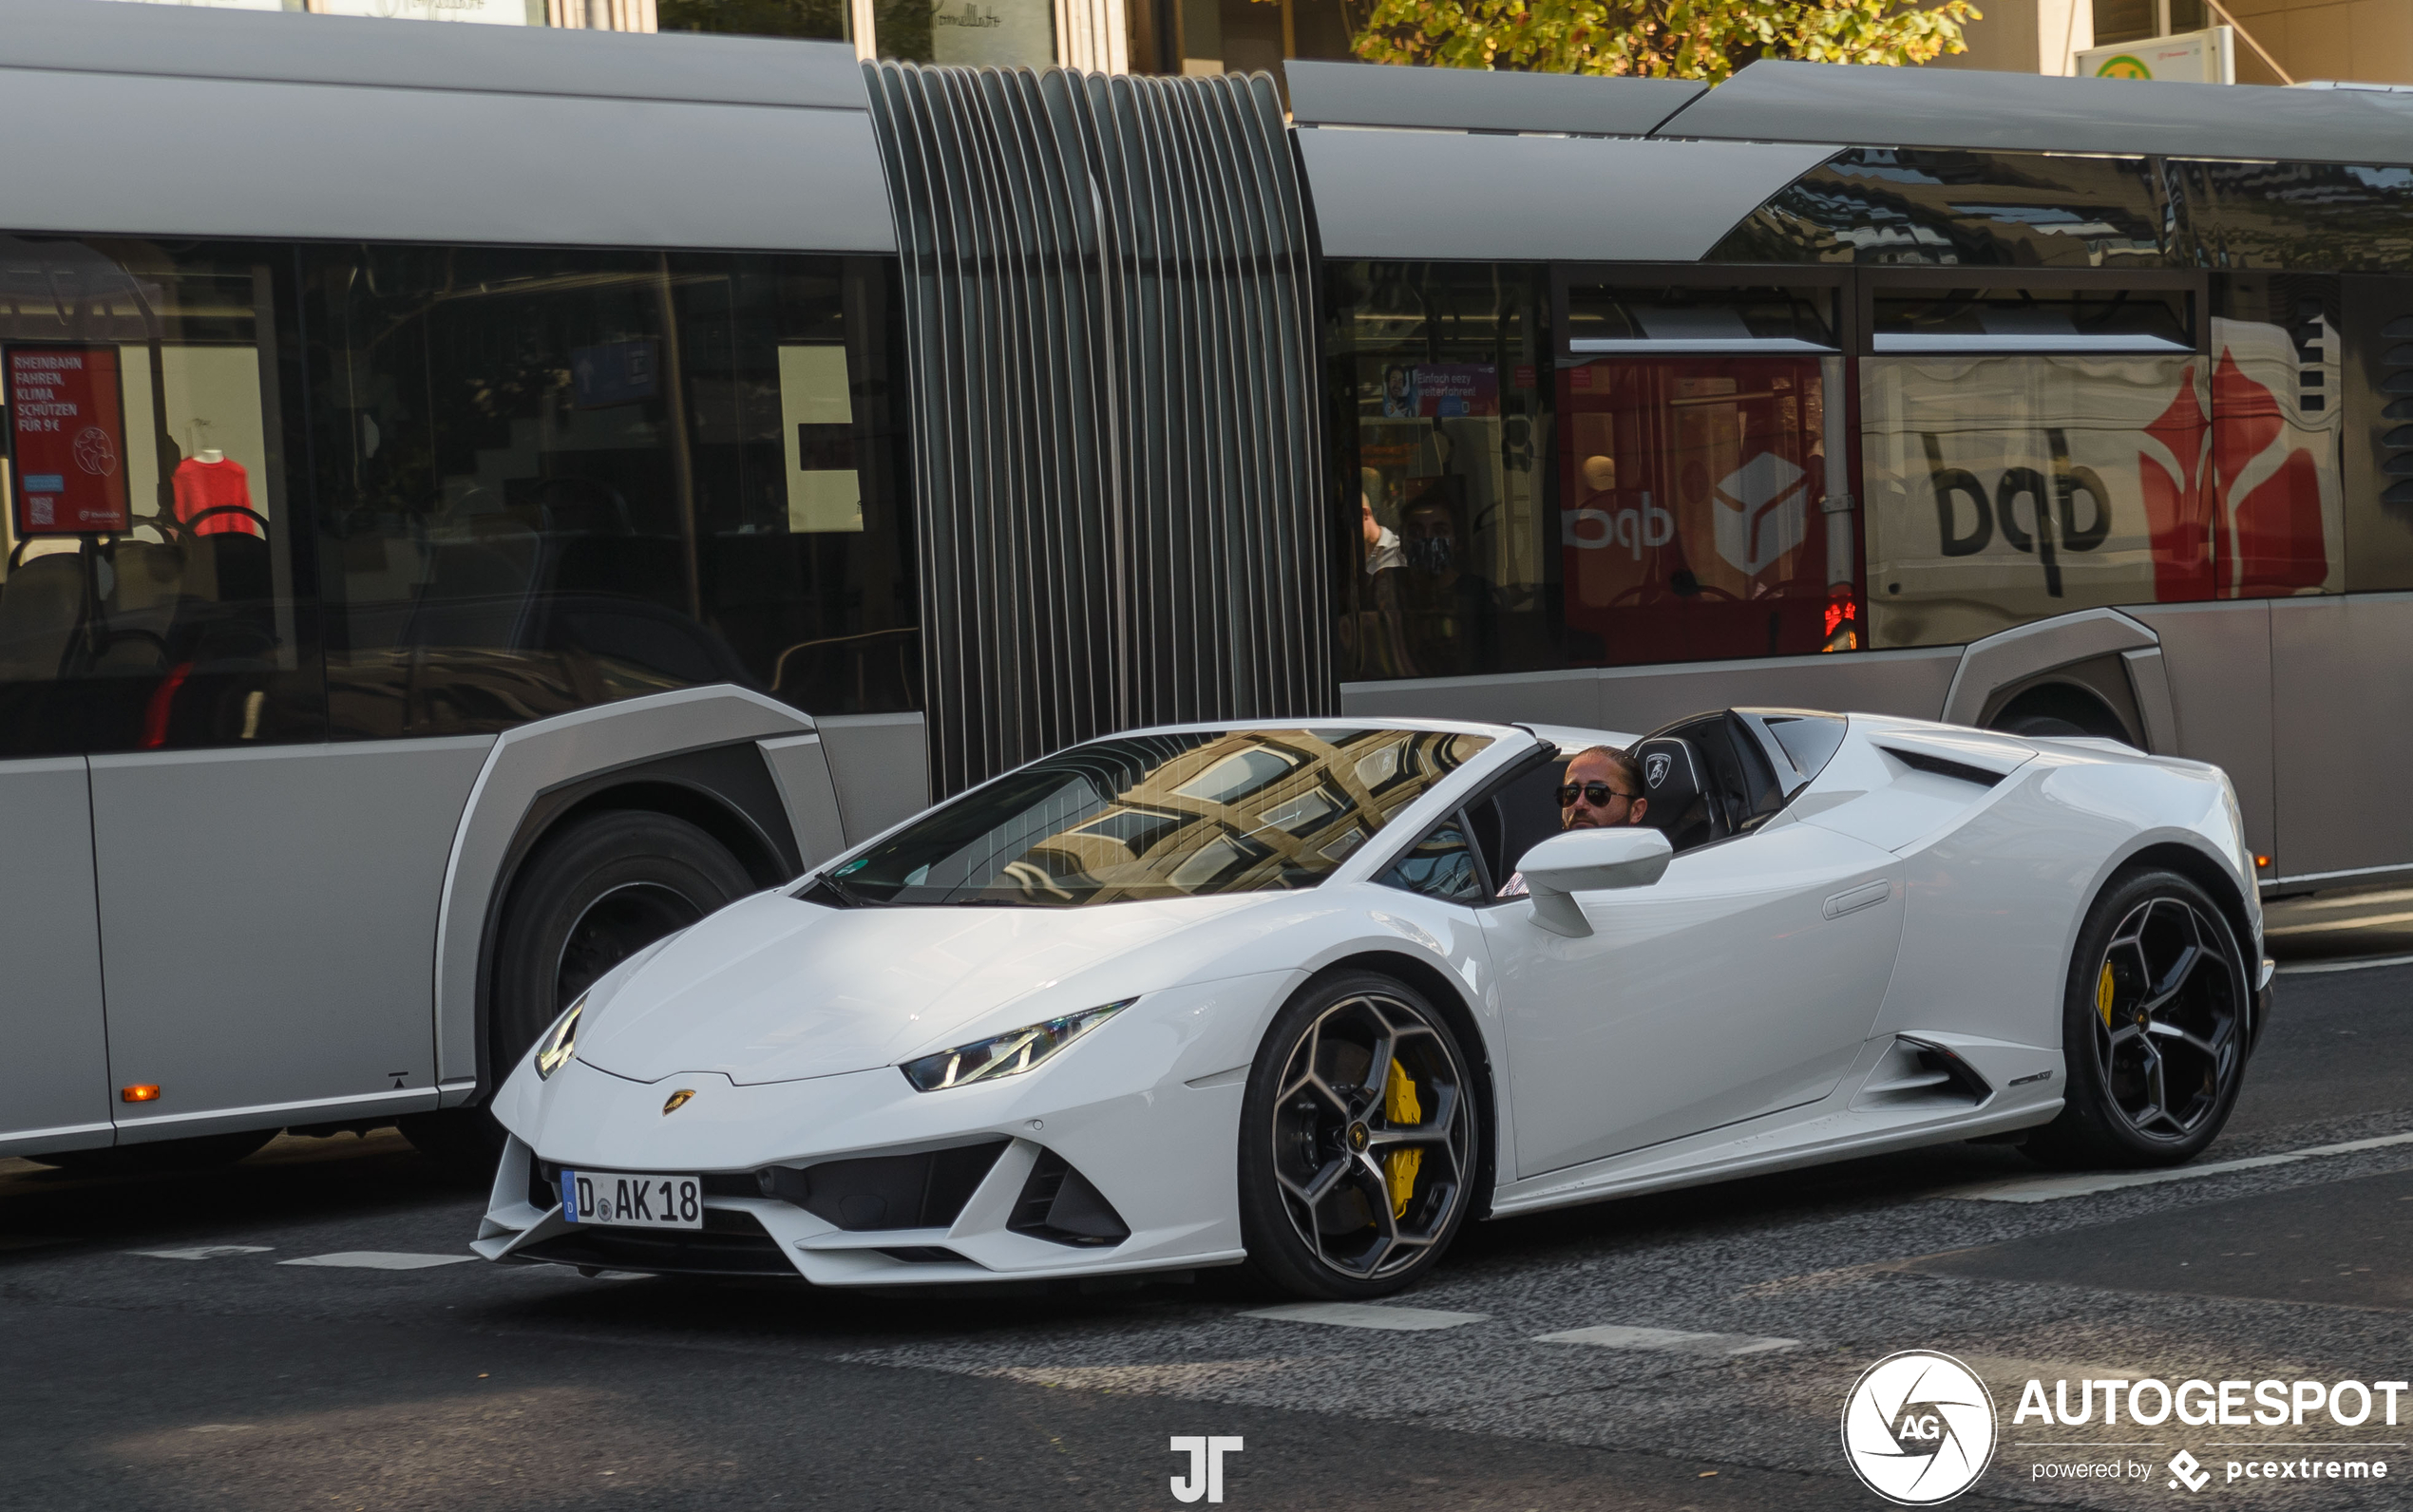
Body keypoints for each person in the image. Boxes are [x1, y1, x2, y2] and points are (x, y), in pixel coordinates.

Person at [1497, 745, 1648, 898]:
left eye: (1597, 793)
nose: (1579, 804)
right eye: (1571, 793)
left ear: (1636, 811)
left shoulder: (1651, 885)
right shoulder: (1531, 873)